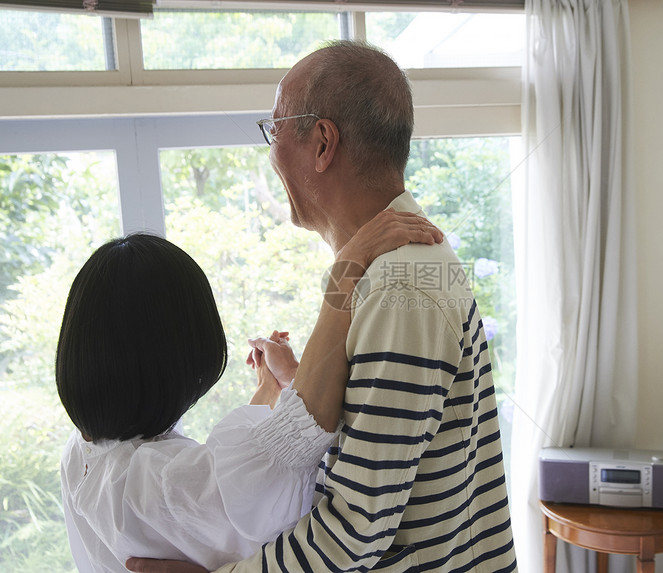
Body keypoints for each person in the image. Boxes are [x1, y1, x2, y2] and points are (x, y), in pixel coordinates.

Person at [127, 40, 517, 573]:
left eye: (275, 128)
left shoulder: (399, 288)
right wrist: (302, 384)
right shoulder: (385, 268)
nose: (269, 150)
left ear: (323, 142)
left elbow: (354, 532)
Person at [56, 210, 442, 572]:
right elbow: (291, 443)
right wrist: (346, 272)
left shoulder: (82, 456)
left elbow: (227, 489)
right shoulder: (155, 487)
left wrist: (269, 389)